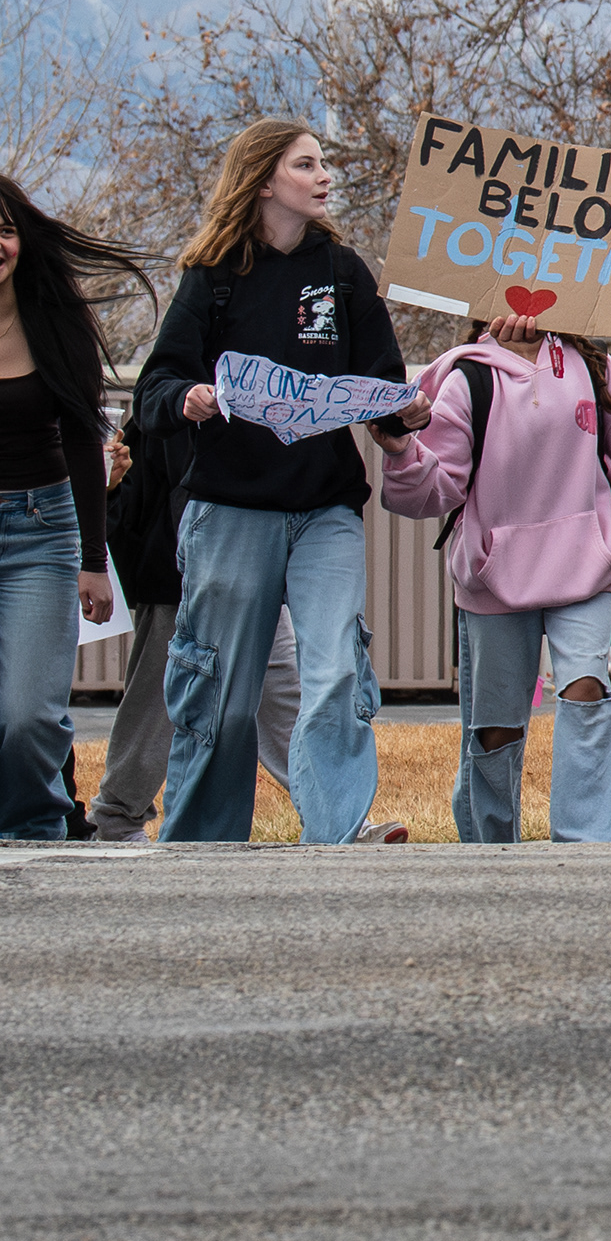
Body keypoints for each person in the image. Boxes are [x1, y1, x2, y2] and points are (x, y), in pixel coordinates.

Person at [140, 123, 424, 845]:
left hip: (325, 507)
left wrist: (400, 417)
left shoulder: (345, 271)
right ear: (265, 180)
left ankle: (336, 834)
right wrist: (191, 399)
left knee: (332, 669)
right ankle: (201, 844)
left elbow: (382, 387)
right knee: (224, 692)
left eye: (324, 162)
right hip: (231, 509)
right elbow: (156, 387)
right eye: (306, 164)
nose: (324, 174)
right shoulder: (212, 275)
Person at [378, 316, 611, 842]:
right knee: (496, 729)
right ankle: (490, 847)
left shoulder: (596, 368)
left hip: (585, 567)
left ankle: (596, 845)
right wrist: (401, 451)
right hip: (493, 579)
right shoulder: (465, 380)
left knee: (587, 691)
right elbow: (435, 492)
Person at [82, 411, 300, 844]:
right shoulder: (172, 391)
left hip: (251, 563)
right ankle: (116, 817)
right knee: (157, 700)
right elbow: (151, 492)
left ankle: (333, 811)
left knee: (284, 689)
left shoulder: (260, 388)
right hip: (177, 574)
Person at [0, 177, 140, 842]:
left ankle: (34, 830)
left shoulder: (54, 320)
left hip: (41, 532)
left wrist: (93, 561)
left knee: (28, 714)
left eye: (3, 229)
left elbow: (85, 440)